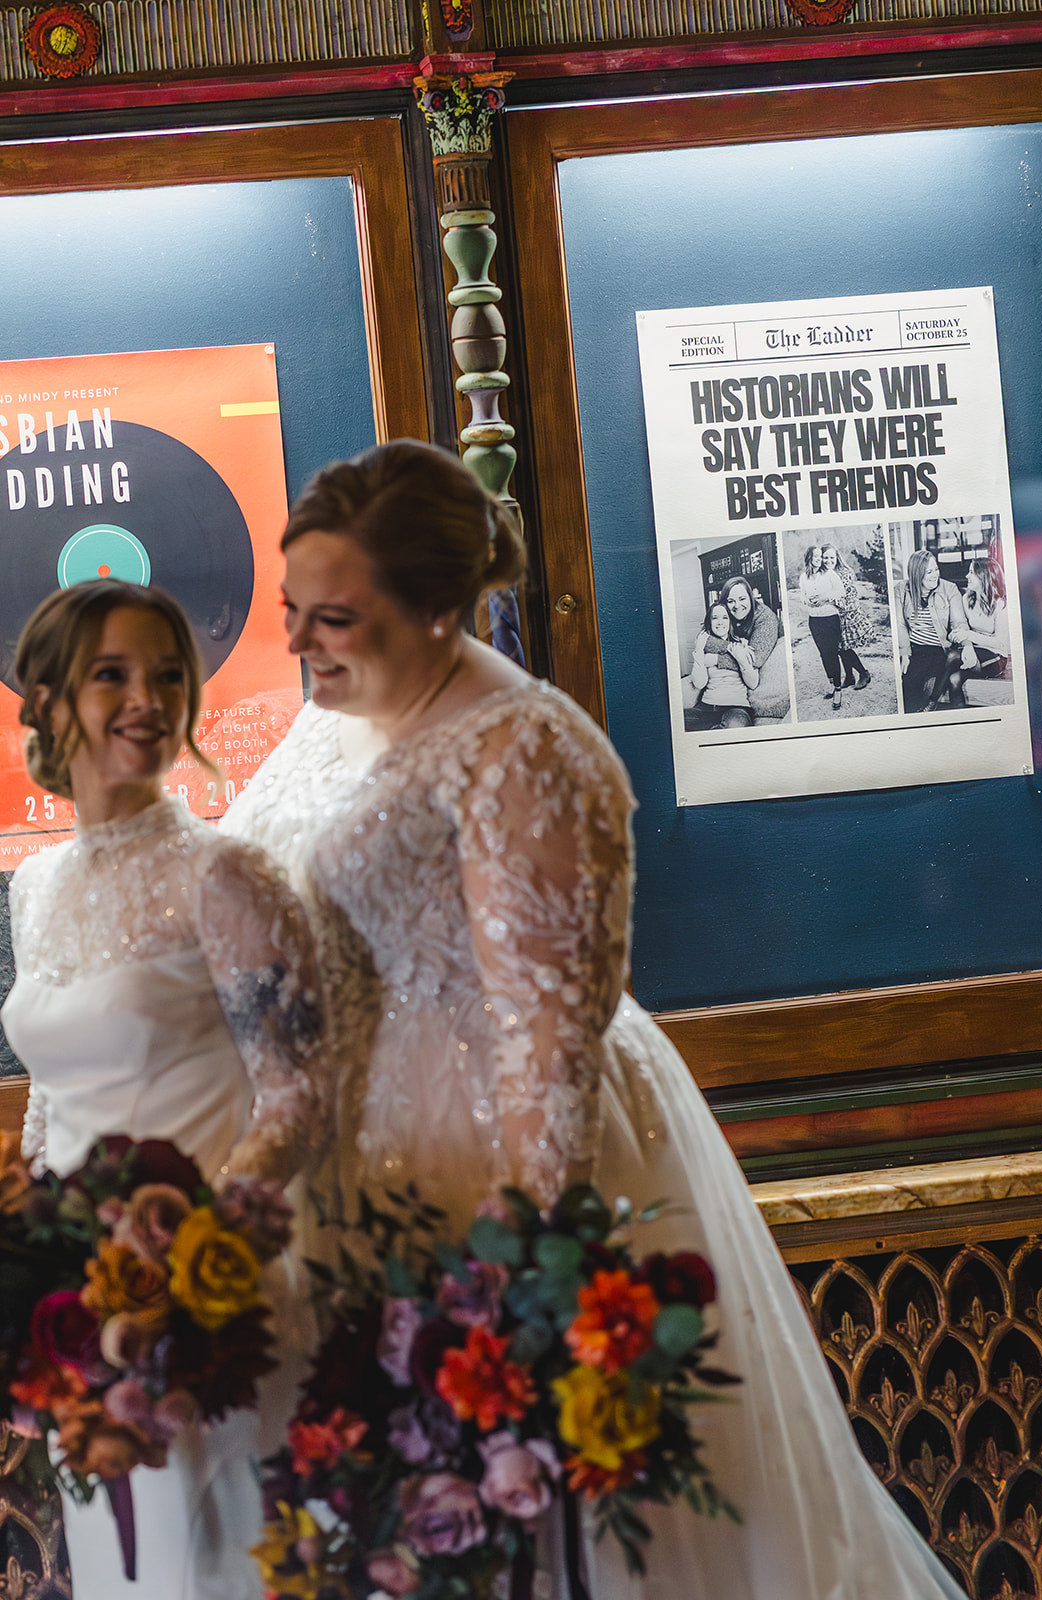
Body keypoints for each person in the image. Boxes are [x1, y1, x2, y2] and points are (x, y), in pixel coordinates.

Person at [223, 440, 962, 1600]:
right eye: (290, 610)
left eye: (333, 616)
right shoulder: (352, 718)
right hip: (375, 1176)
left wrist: (517, 1293)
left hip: (504, 1184)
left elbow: (545, 1046)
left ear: (436, 608)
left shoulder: (529, 749)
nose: (299, 641)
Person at [1, 579, 328, 1600]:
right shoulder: (32, 884)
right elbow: (52, 1095)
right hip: (77, 1325)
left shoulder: (224, 876)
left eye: (167, 674)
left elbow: (298, 1093)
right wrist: (25, 1263)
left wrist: (196, 1255)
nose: (146, 697)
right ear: (49, 701)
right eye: (111, 674)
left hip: (209, 1311)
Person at [895, 550, 977, 713]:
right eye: (929, 572)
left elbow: (958, 622)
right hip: (913, 647)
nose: (935, 575)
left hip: (939, 648)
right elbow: (900, 624)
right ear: (916, 574)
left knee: (921, 681)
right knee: (907, 682)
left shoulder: (949, 589)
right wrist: (904, 653)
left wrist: (967, 645)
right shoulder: (901, 590)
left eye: (936, 570)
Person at [699, 574, 784, 729]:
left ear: (751, 597)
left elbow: (756, 659)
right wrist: (734, 648)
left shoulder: (766, 618)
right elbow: (704, 638)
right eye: (731, 601)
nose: (737, 605)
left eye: (742, 599)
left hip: (740, 701)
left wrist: (717, 660)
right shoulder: (726, 614)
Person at [682, 598, 758, 731]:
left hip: (735, 707)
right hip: (706, 707)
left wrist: (741, 659)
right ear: (709, 622)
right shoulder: (705, 647)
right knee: (674, 721)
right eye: (715, 618)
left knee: (736, 726)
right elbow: (699, 683)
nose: (720, 622)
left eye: (725, 617)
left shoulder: (742, 645)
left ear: (730, 622)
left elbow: (753, 683)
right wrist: (699, 651)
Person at [798, 544, 846, 709]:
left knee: (832, 653)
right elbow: (802, 596)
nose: (819, 560)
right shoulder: (804, 577)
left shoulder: (830, 574)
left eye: (820, 556)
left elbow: (841, 591)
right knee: (823, 654)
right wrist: (808, 600)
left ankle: (838, 689)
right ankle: (832, 684)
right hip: (814, 620)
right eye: (816, 556)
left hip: (830, 618)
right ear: (809, 558)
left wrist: (826, 598)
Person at [822, 544, 873, 691]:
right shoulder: (824, 574)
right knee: (839, 647)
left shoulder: (844, 573)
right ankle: (849, 676)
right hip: (832, 615)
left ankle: (864, 673)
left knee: (844, 647)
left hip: (846, 614)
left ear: (837, 557)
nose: (828, 560)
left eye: (832, 557)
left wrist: (833, 603)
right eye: (825, 557)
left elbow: (849, 596)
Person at [963, 556, 1011, 676]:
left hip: (996, 655)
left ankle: (933, 695)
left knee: (953, 657)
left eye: (971, 572)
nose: (966, 576)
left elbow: (1001, 643)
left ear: (983, 576)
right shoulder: (967, 599)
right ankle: (934, 695)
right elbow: (963, 628)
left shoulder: (1000, 604)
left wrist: (969, 635)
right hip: (975, 649)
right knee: (954, 679)